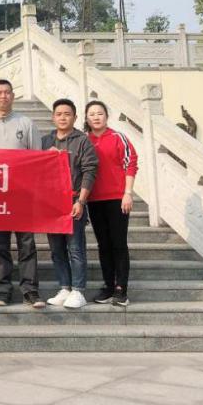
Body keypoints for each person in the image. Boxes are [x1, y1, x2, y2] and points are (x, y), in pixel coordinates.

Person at [0, 79, 45, 309]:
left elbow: (37, 159)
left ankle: (30, 290)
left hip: (22, 193)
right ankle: (3, 290)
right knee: (0, 244)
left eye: (7, 92)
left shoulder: (26, 123)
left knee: (27, 243)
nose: (3, 96)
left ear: (13, 96)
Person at [43, 98, 99, 310]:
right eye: (59, 114)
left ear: (75, 117)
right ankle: (64, 287)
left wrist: (81, 201)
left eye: (67, 114)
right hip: (51, 203)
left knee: (75, 248)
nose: (63, 118)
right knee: (56, 249)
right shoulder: (45, 141)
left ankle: (78, 290)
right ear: (53, 117)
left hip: (73, 200)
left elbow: (89, 171)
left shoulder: (83, 141)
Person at [85, 100, 138, 307]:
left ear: (107, 116)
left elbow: (131, 163)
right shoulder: (84, 140)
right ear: (86, 118)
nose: (96, 117)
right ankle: (108, 286)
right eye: (92, 114)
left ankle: (121, 288)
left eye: (100, 113)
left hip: (117, 199)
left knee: (118, 243)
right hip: (94, 199)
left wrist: (128, 193)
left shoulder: (118, 138)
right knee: (103, 245)